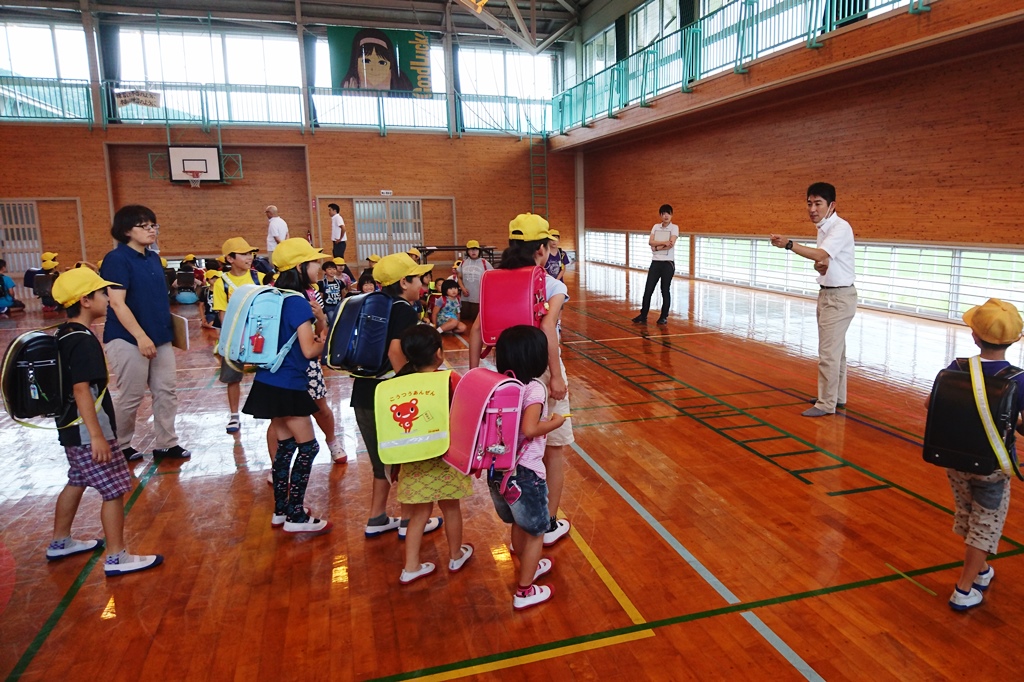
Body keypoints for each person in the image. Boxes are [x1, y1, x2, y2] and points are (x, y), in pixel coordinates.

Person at [47, 267, 164, 576]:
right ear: (85, 301)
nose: (107, 298)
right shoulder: (82, 340)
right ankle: (116, 557)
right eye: (101, 293)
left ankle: (60, 542)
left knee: (77, 479)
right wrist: (98, 436)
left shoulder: (64, 333)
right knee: (113, 489)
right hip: (89, 430)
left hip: (70, 428)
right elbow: (81, 389)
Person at [469, 213, 573, 547]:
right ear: (542, 249)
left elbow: (476, 330)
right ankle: (547, 522)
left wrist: (475, 374)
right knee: (553, 449)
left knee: (513, 446)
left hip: (505, 373)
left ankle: (519, 515)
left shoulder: (494, 280)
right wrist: (556, 376)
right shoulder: (552, 285)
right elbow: (547, 328)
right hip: (540, 370)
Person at [926, 299, 1023, 610]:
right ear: (1015, 339)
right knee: (986, 524)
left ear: (975, 336)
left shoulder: (955, 368)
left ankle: (981, 570)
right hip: (992, 466)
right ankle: (964, 590)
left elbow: (930, 405)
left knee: (968, 514)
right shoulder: (1018, 379)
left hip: (955, 460)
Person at [242, 238, 332, 534]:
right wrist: (325, 334)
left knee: (285, 446)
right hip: (290, 383)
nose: (318, 267)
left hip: (268, 380)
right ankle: (296, 515)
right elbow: (309, 350)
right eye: (314, 262)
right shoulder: (296, 302)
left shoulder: (273, 295)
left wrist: (319, 321)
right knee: (309, 447)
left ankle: (281, 510)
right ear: (299, 266)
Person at [351, 252, 444, 538]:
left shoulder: (373, 303)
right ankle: (407, 521)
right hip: (389, 398)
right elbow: (395, 352)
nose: (423, 284)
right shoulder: (403, 308)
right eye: (418, 279)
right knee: (403, 459)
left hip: (363, 392)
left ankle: (377, 517)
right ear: (404, 282)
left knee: (382, 461)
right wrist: (413, 385)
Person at [100, 206, 191, 462]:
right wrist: (140, 337)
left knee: (166, 392)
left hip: (160, 337)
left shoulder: (152, 258)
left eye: (153, 225)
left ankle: (167, 443)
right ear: (126, 230)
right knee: (131, 395)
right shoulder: (116, 259)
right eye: (144, 226)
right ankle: (120, 445)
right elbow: (117, 303)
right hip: (127, 338)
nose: (151, 230)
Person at [390, 325, 474, 584]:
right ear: (439, 352)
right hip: (446, 459)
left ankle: (411, 567)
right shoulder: (450, 379)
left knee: (418, 514)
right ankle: (456, 555)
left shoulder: (399, 384)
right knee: (451, 508)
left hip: (413, 459)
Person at [492, 325, 567, 609]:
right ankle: (525, 591)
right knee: (536, 531)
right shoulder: (534, 388)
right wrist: (555, 423)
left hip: (500, 469)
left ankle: (528, 564)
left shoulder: (502, 384)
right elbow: (530, 428)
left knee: (518, 522)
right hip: (525, 474)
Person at [770, 182, 857, 417]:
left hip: (839, 298)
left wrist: (789, 244)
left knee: (828, 354)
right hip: (828, 294)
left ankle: (826, 404)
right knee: (837, 352)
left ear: (832, 205)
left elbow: (820, 254)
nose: (812, 209)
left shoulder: (840, 227)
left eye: (818, 203)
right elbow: (824, 260)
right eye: (809, 203)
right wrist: (821, 266)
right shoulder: (823, 229)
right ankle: (837, 397)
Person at [213, 237, 264, 435]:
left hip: (260, 336)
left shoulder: (260, 278)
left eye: (250, 253)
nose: (249, 257)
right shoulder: (221, 283)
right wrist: (230, 340)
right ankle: (234, 415)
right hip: (235, 337)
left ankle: (268, 409)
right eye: (243, 254)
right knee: (232, 377)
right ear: (230, 258)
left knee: (267, 373)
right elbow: (223, 314)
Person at [632, 204, 679, 326]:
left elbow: (671, 244)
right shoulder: (655, 227)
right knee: (648, 289)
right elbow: (650, 242)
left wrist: (656, 247)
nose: (666, 216)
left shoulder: (674, 228)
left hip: (668, 263)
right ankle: (643, 315)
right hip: (655, 263)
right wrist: (663, 243)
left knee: (665, 290)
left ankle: (663, 317)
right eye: (663, 214)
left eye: (668, 213)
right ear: (660, 215)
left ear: (671, 215)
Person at [341, 28, 414, 91]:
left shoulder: (401, 89)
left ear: (390, 66)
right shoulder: (349, 88)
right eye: (366, 61)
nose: (373, 68)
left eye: (382, 62)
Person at [457, 239, 492, 322]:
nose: (473, 251)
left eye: (476, 249)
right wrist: (463, 288)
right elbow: (459, 277)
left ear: (479, 251)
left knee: (476, 320)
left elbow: (491, 278)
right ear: (467, 251)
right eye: (471, 249)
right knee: (465, 318)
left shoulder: (484, 263)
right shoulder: (463, 263)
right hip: (465, 297)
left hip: (478, 297)